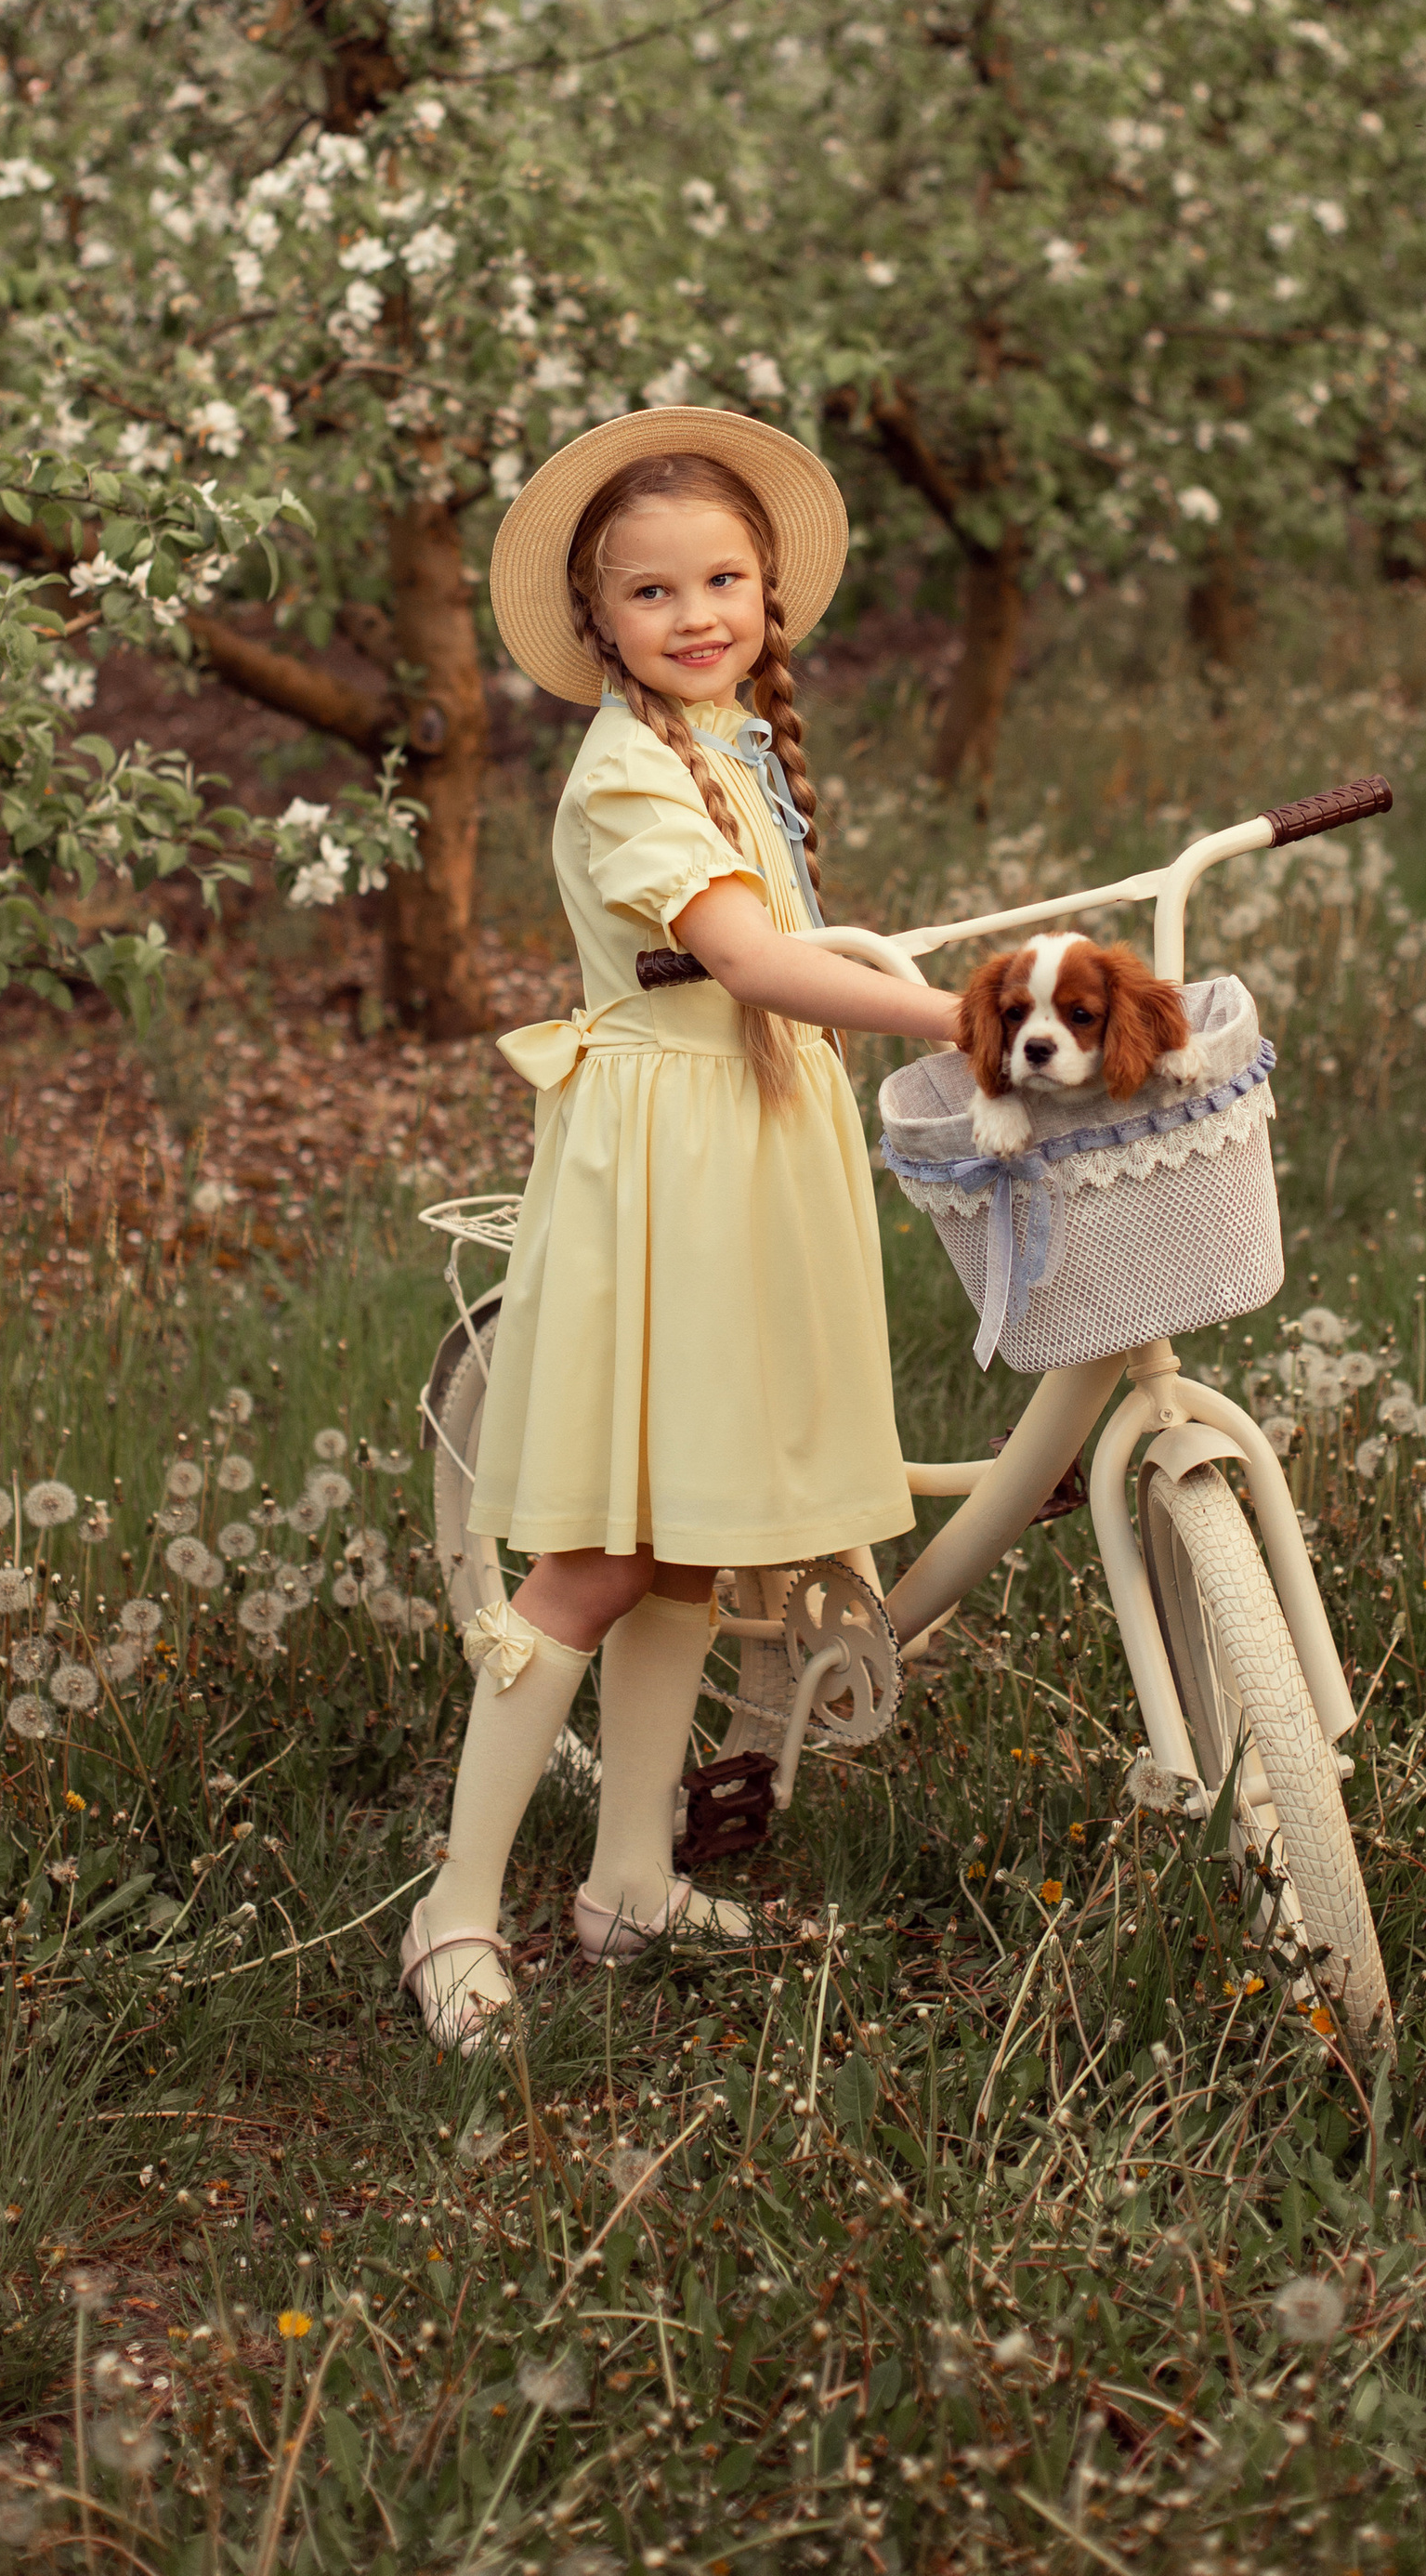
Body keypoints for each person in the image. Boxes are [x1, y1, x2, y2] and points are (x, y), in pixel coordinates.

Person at [401, 407, 962, 2052]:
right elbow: (759, 966)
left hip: (747, 1153)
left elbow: (799, 949)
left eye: (725, 578)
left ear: (769, 592)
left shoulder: (732, 742)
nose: (697, 611)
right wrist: (964, 1019)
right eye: (654, 593)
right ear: (599, 625)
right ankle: (453, 1908)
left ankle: (631, 1876)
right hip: (664, 1169)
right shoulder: (632, 773)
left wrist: (904, 987)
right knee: (590, 1559)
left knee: (691, 1541)